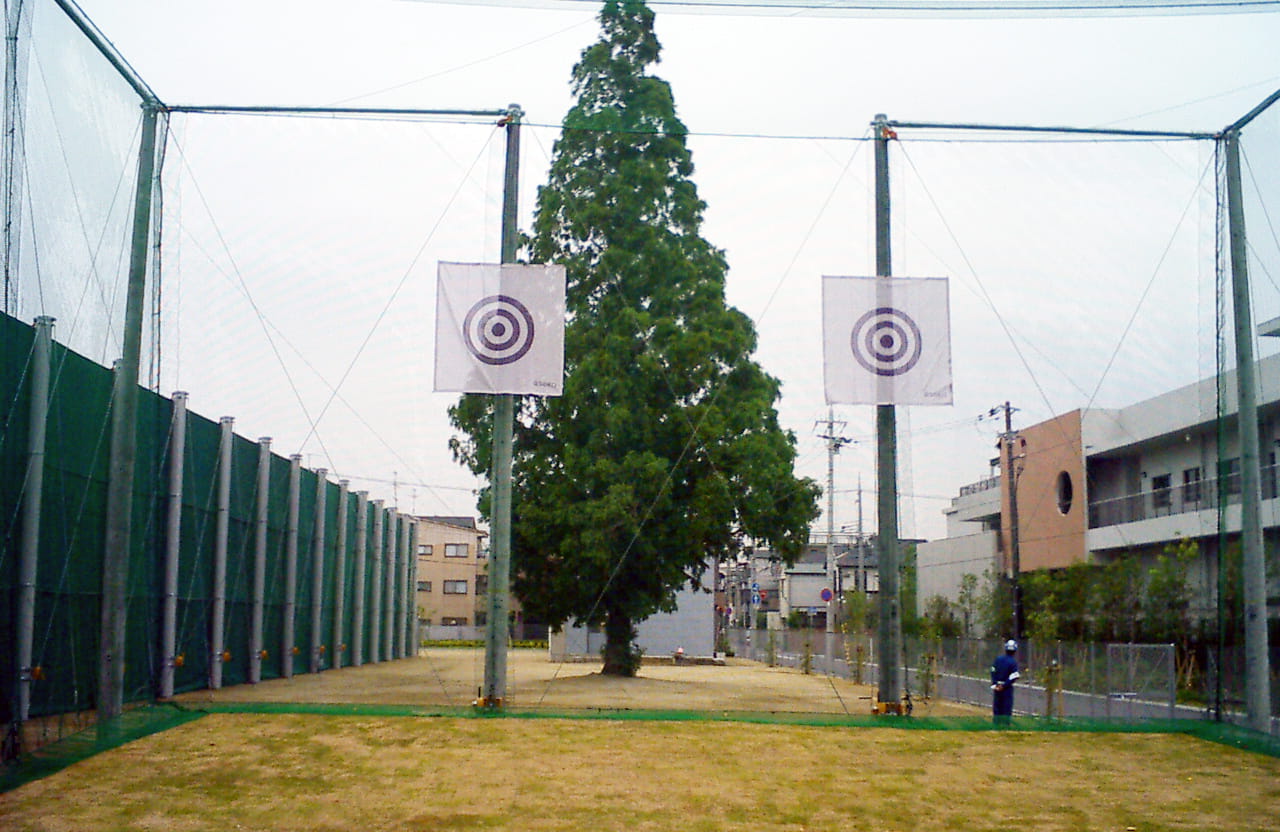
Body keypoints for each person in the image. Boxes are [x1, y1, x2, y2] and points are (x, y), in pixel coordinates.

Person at [990, 639, 1020, 723]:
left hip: (997, 688)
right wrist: (1004, 685)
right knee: (1006, 708)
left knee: (997, 708)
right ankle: (1005, 726)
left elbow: (992, 670)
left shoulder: (998, 659)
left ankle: (996, 725)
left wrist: (995, 683)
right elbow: (1014, 676)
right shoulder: (1013, 662)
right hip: (1006, 689)